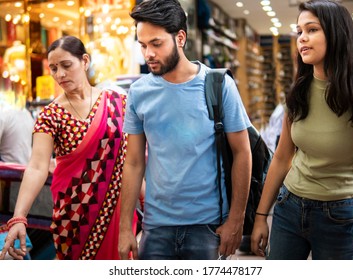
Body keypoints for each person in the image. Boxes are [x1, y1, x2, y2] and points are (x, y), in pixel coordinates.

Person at [118, 0, 252, 260]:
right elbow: (133, 162)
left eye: (156, 44)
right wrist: (126, 227)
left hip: (208, 226)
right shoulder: (138, 92)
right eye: (143, 45)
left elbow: (242, 153)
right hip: (155, 227)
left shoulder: (219, 85)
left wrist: (236, 220)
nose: (149, 54)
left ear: (180, 38)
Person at [251, 0, 353, 260]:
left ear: (336, 34)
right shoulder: (299, 93)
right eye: (299, 31)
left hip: (341, 215)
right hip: (289, 208)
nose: (302, 38)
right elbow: (282, 158)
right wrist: (261, 216)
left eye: (312, 30)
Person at [0, 35, 132, 260]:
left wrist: (147, 202)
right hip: (74, 217)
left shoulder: (119, 101)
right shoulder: (50, 114)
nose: (59, 74)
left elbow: (129, 160)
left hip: (119, 213)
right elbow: (37, 166)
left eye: (66, 65)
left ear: (85, 61)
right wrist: (19, 217)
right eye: (53, 68)